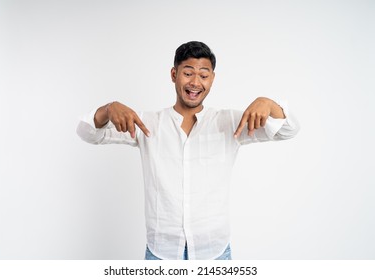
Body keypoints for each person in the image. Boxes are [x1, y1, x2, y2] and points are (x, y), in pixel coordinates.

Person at [77, 41, 300, 260]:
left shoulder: (231, 122)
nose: (195, 82)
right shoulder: (147, 124)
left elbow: (288, 130)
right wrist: (108, 109)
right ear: (174, 75)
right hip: (161, 252)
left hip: (215, 252)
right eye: (188, 73)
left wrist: (269, 104)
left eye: (204, 75)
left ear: (212, 79)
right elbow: (88, 133)